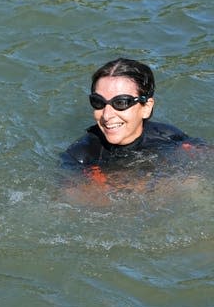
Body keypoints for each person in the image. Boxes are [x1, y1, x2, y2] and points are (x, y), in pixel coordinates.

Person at [60, 58, 204, 203]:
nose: (106, 115)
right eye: (98, 102)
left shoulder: (169, 136)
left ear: (146, 108)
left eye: (121, 102)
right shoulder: (80, 156)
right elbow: (68, 198)